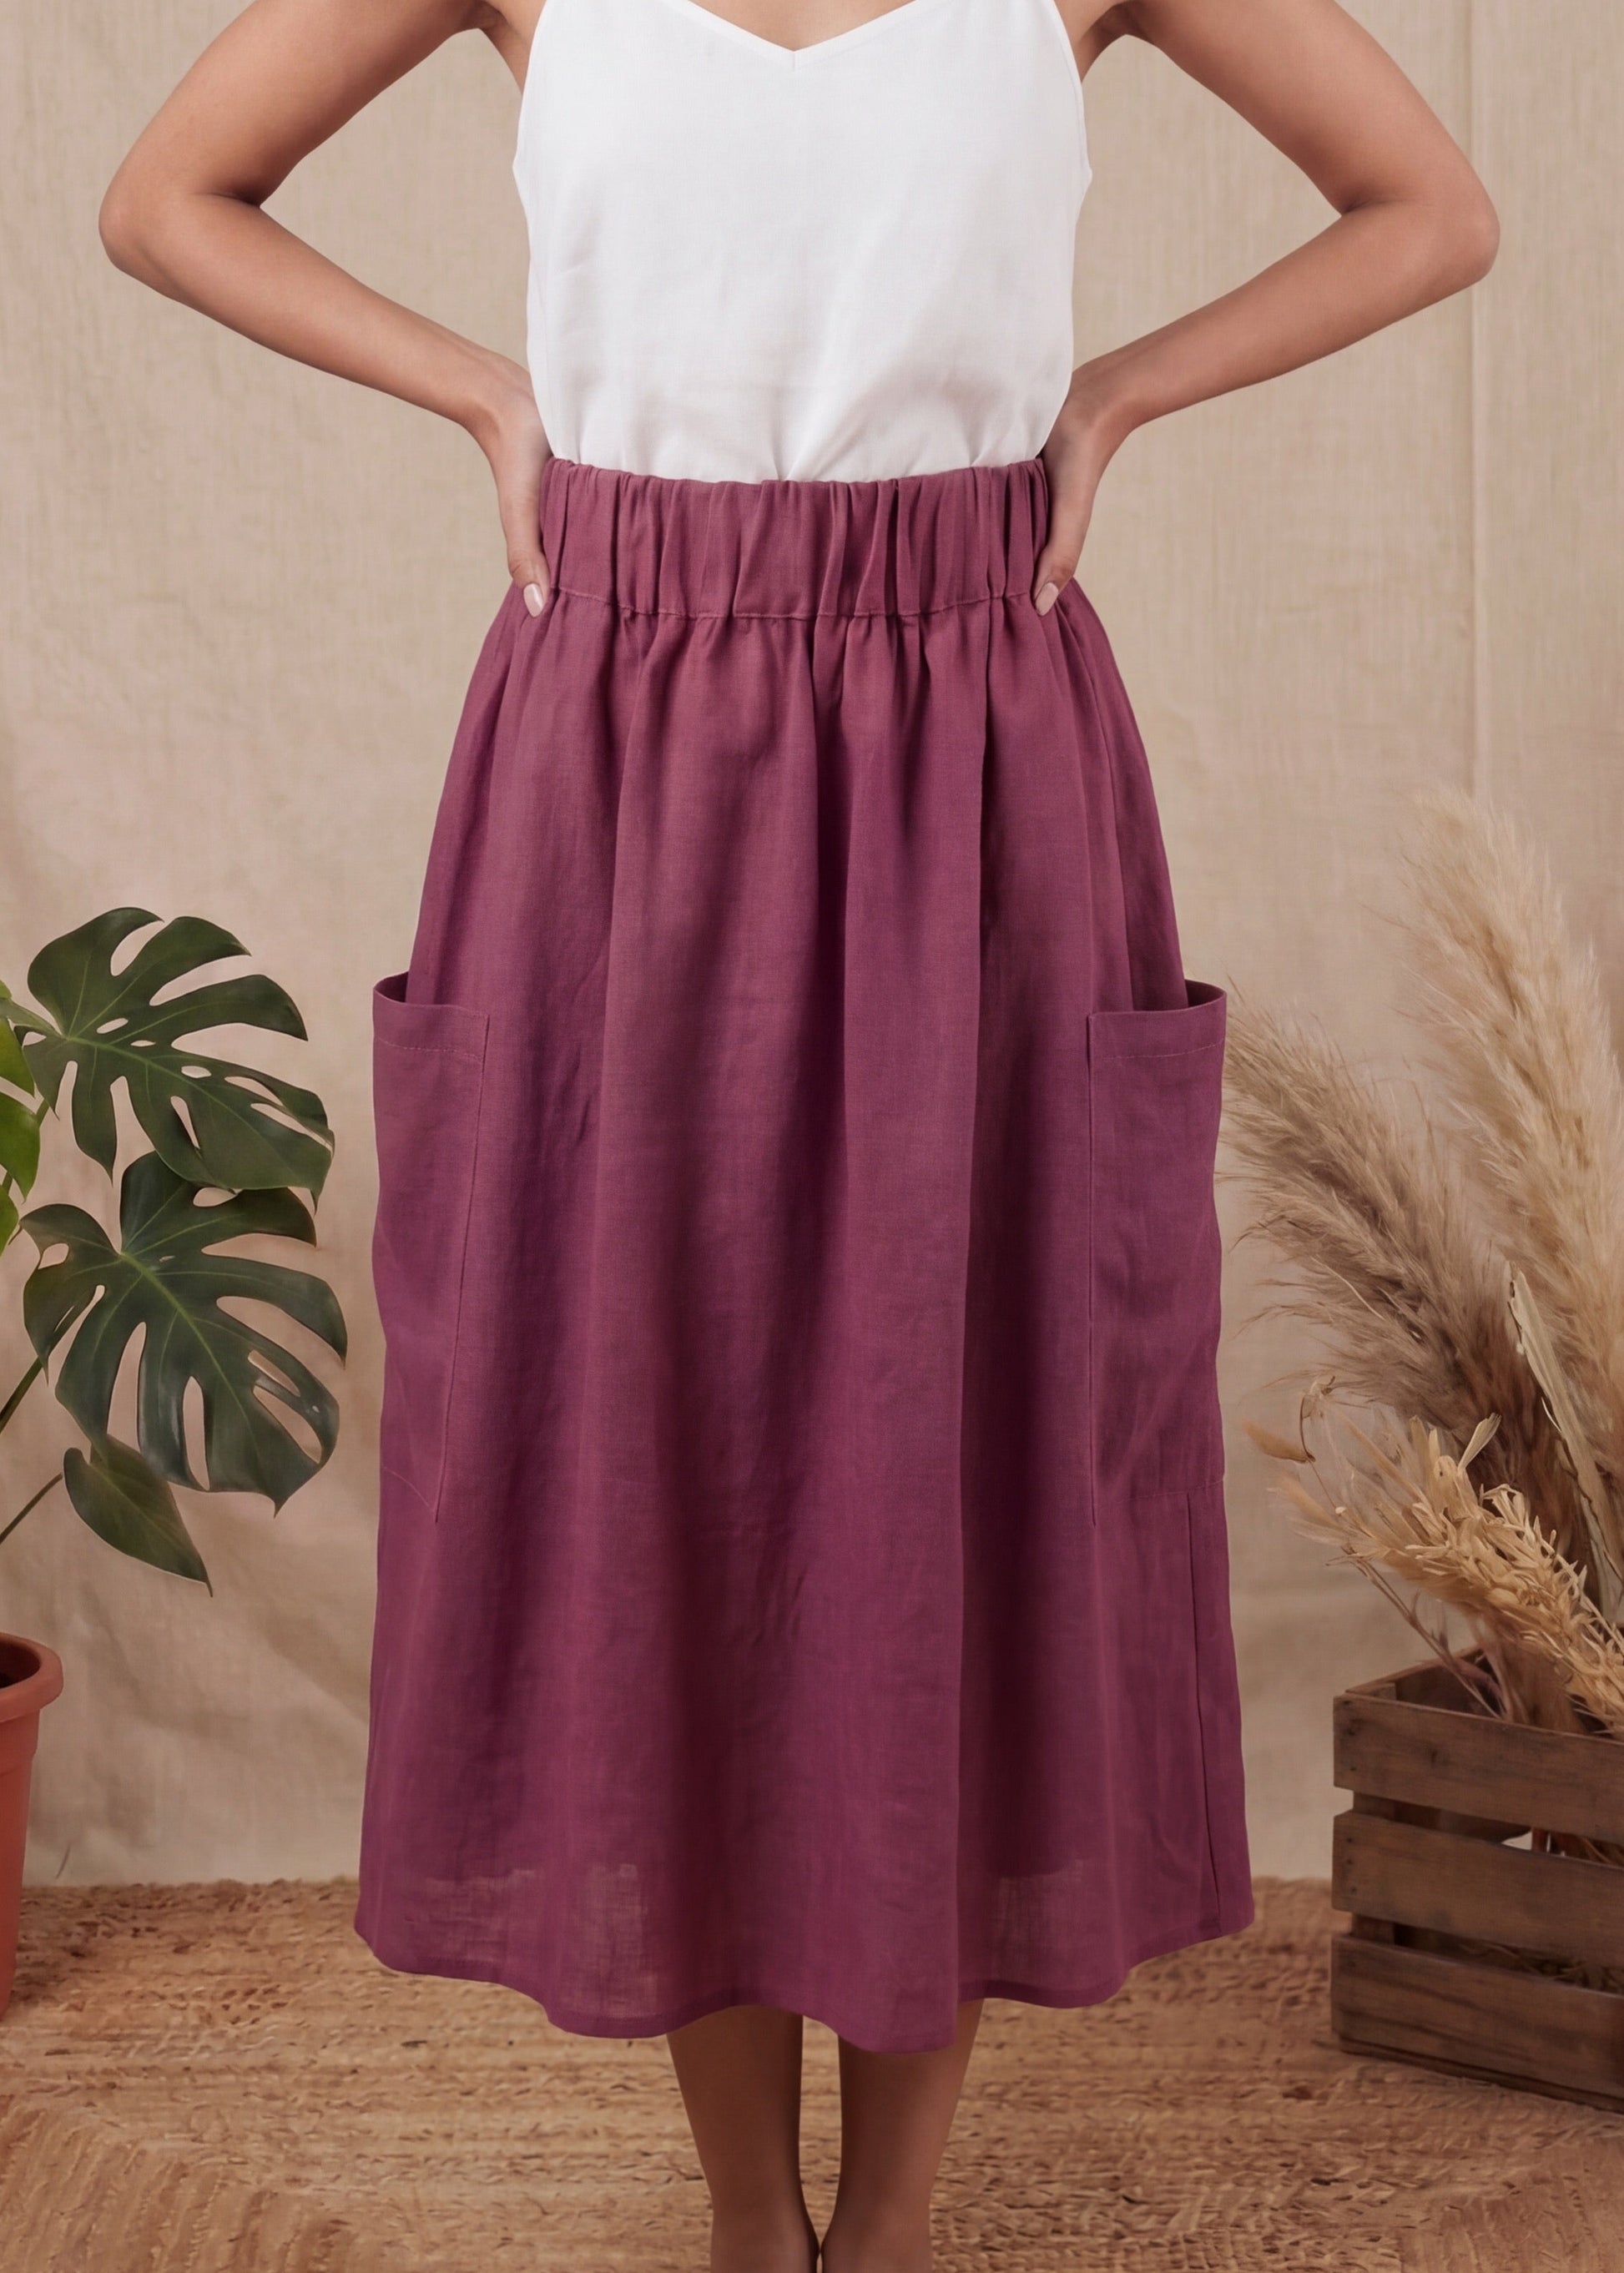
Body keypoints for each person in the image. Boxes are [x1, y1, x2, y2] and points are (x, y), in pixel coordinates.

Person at [100, 1, 1495, 2265]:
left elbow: (1430, 207)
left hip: (975, 734)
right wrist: (485, 393)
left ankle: (900, 2226)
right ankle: (751, 2218)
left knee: (936, 1465)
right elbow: (163, 196)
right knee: (674, 1455)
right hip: (618, 739)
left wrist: (1114, 393)